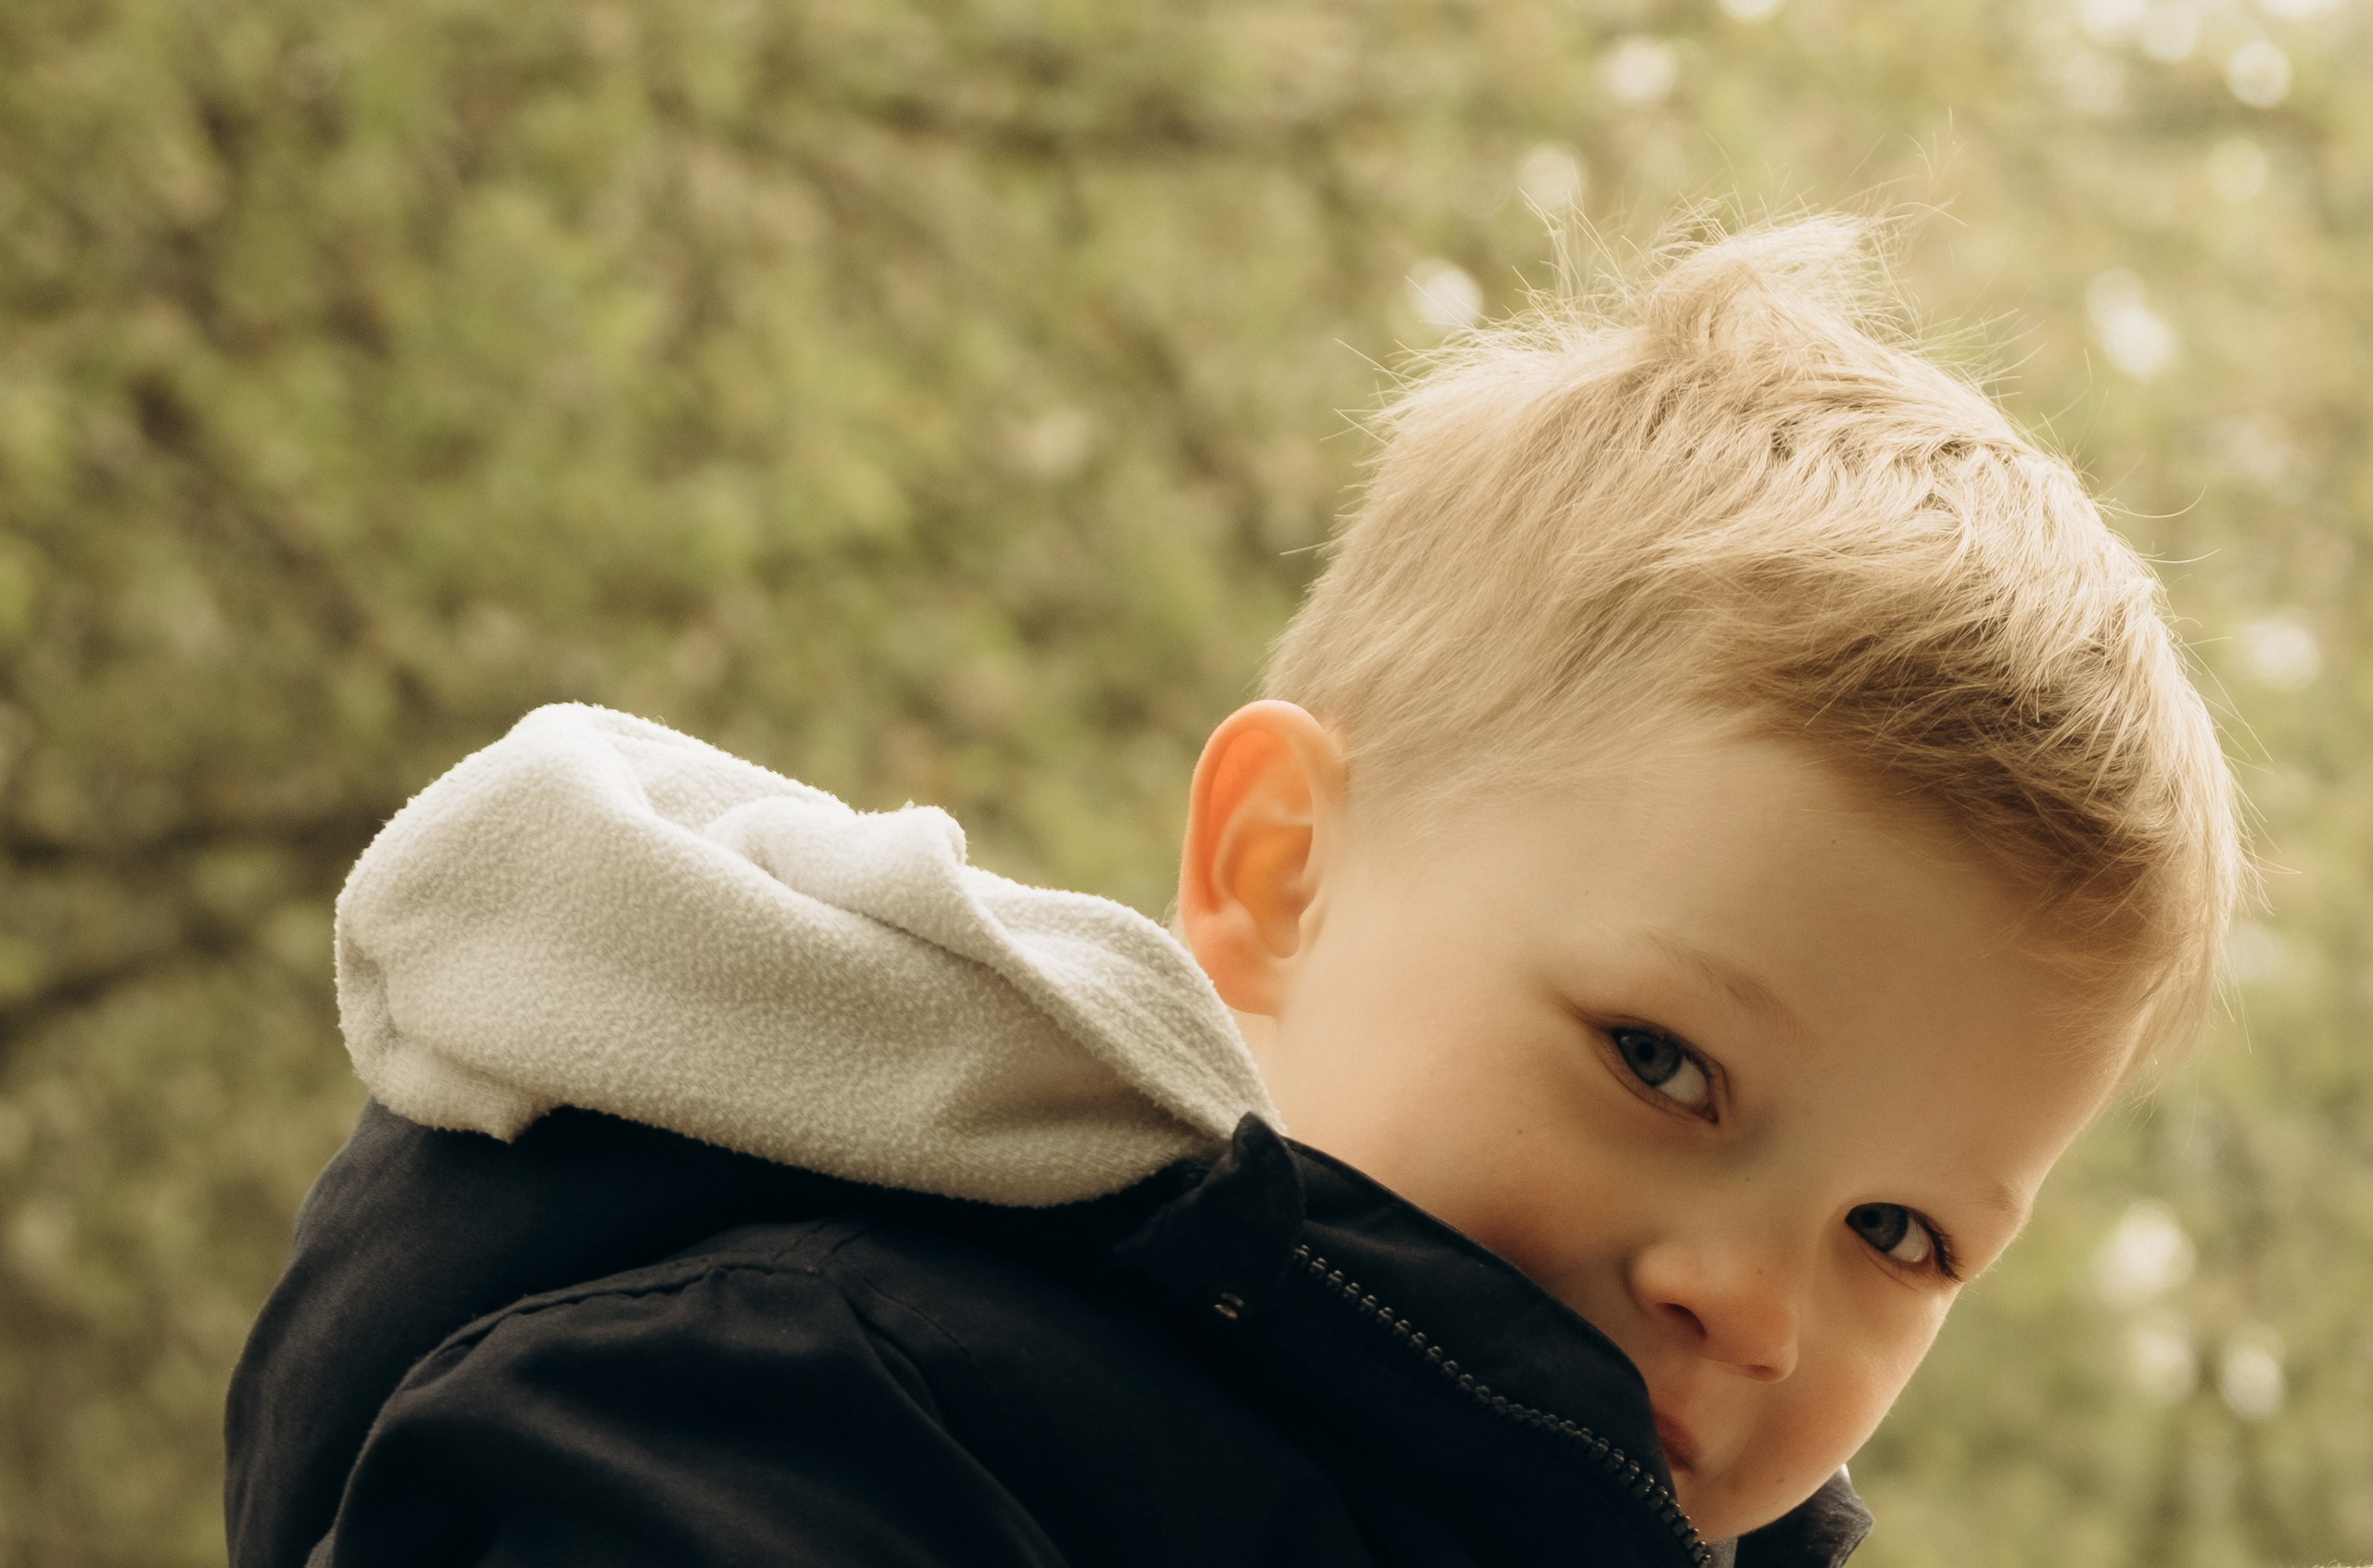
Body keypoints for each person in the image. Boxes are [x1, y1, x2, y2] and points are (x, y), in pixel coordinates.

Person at [224, 218, 2240, 1568]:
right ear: (1278, 875)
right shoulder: (816, 1395)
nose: (1749, 1293)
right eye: (1661, 1062)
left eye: (1899, 1231)